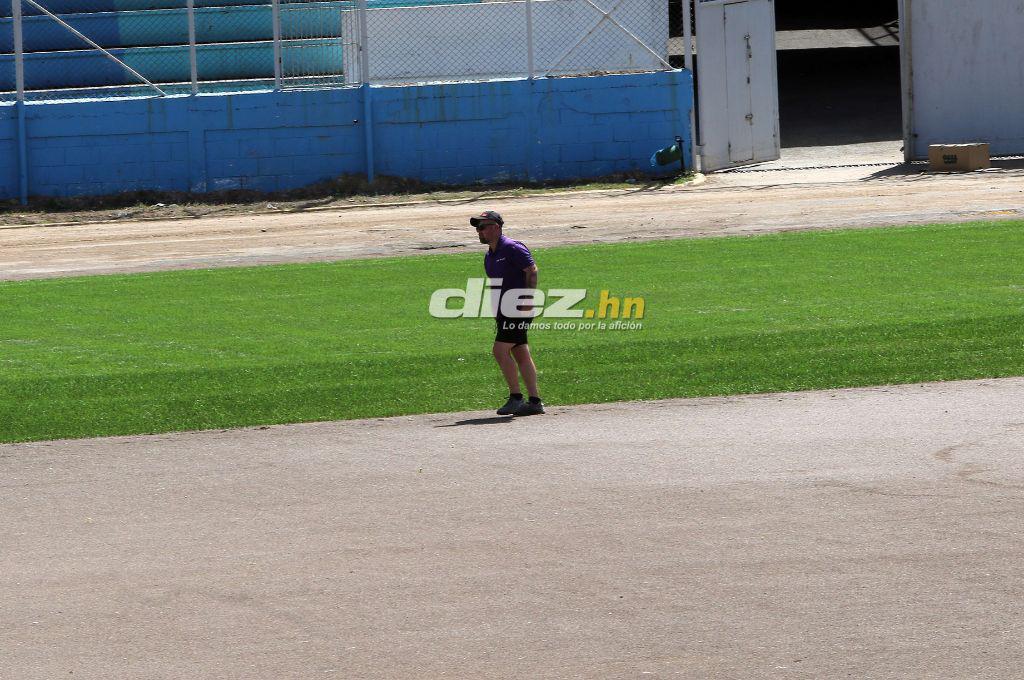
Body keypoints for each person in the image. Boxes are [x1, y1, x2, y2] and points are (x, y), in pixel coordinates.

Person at [470, 210, 545, 416]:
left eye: (482, 227)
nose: (479, 231)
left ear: (496, 227)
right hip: (505, 310)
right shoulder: (489, 255)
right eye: (477, 228)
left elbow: (532, 270)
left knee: (499, 350)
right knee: (520, 352)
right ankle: (535, 402)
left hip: (518, 308)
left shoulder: (512, 247)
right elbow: (496, 285)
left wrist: (527, 299)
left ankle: (516, 398)